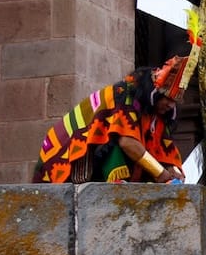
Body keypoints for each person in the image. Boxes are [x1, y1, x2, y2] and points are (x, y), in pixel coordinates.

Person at [31, 56, 190, 184]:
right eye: (168, 99)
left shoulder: (158, 114)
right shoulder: (124, 96)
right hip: (66, 151)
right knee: (115, 138)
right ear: (155, 94)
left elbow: (164, 147)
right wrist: (159, 172)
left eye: (175, 101)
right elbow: (127, 142)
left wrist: (174, 171)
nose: (171, 105)